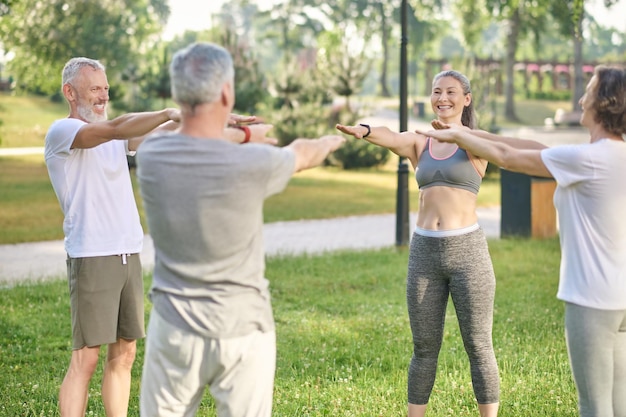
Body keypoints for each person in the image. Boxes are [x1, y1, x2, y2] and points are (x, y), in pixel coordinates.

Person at [45, 57, 273, 417]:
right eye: (94, 89)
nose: (103, 96)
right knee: (85, 360)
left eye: (105, 88)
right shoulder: (63, 132)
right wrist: (169, 111)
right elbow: (118, 128)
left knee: (125, 354)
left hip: (127, 252)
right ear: (70, 92)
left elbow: (167, 133)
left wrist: (209, 120)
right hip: (93, 254)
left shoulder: (114, 135)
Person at [136, 41, 344, 417]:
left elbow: (189, 139)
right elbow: (303, 152)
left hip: (174, 329)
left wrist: (243, 135)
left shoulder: (152, 156)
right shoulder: (253, 164)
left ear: (178, 93)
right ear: (227, 92)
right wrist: (329, 141)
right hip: (243, 329)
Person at [416, 65, 626, 417]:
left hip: (592, 301)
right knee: (620, 403)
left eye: (588, 92)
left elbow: (510, 157)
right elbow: (514, 150)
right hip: (622, 300)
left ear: (603, 104)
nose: (581, 98)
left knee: (595, 406)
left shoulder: (584, 159)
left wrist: (459, 135)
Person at [336, 70, 500, 417]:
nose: (443, 98)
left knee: (479, 346)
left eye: (451, 92)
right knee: (424, 348)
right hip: (425, 252)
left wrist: (458, 134)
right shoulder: (419, 141)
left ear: (466, 99)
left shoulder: (476, 141)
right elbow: (390, 136)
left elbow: (506, 151)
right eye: (437, 91)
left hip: (468, 253)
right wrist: (364, 131)